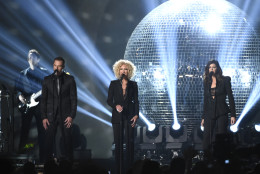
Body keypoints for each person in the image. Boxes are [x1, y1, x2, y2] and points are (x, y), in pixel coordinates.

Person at [41, 56, 77, 162]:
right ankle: (48, 164)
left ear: (63, 67)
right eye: (55, 65)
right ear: (53, 66)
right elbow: (44, 100)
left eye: (59, 66)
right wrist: (44, 117)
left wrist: (71, 115)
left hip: (65, 115)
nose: (57, 68)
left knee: (67, 140)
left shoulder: (70, 80)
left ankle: (69, 164)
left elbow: (74, 99)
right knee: (48, 141)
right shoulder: (47, 80)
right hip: (51, 115)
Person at [15, 49, 48, 162]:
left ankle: (43, 159)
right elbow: (17, 89)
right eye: (29, 56)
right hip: (27, 106)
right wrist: (20, 97)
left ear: (38, 59)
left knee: (42, 133)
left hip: (40, 106)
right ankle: (21, 157)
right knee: (24, 132)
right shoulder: (22, 73)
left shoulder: (45, 73)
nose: (31, 58)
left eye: (33, 56)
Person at [107, 59, 139, 174]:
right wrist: (116, 106)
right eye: (121, 69)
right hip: (117, 117)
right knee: (118, 143)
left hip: (130, 116)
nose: (123, 71)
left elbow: (136, 101)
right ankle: (118, 169)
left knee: (130, 143)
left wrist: (136, 115)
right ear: (118, 70)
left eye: (126, 69)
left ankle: (130, 169)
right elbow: (109, 100)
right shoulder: (113, 84)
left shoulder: (133, 85)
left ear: (129, 71)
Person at [201, 60, 236, 159]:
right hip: (209, 112)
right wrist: (203, 117)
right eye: (210, 67)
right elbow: (205, 100)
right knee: (207, 136)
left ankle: (221, 158)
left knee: (221, 135)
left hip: (222, 111)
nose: (211, 69)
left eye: (214, 67)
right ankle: (206, 159)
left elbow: (230, 97)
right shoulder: (206, 82)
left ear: (218, 68)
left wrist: (233, 114)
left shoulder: (225, 80)